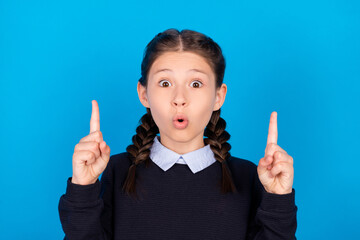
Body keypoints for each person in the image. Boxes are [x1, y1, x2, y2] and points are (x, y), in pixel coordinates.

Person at [58, 28, 297, 240]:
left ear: (218, 96)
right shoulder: (114, 172)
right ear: (144, 94)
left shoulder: (249, 178)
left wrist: (278, 200)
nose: (179, 99)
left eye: (195, 84)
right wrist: (83, 187)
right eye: (165, 83)